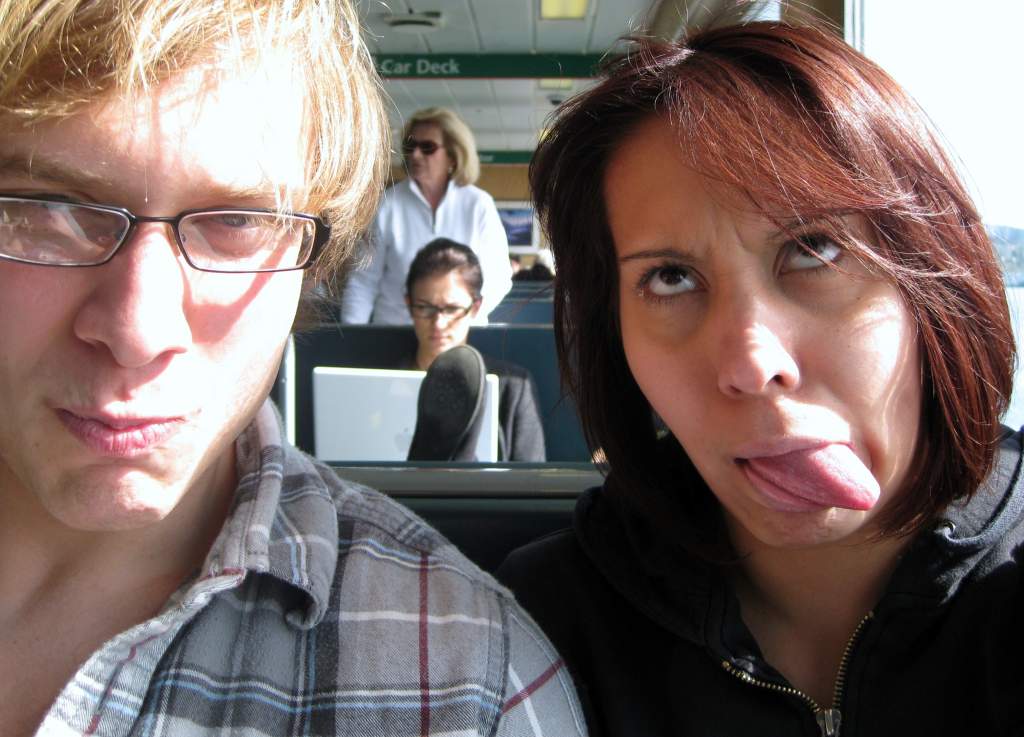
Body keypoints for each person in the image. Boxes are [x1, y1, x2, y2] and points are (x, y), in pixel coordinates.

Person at [0, 2, 586, 735]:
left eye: (238, 221)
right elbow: (370, 292)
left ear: (311, 264)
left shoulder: (469, 689)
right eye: (51, 207)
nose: (137, 331)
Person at [498, 19, 1023, 737]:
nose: (751, 362)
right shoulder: (535, 631)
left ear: (933, 280)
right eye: (671, 276)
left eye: (814, 248)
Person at [341, 107, 513, 324]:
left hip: (460, 336)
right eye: (410, 146)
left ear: (453, 155)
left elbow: (499, 278)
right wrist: (352, 338)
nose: (416, 154)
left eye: (427, 147)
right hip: (395, 332)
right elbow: (363, 281)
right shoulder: (387, 204)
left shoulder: (478, 205)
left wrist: (458, 318)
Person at [405, 238, 546, 461]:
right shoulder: (370, 383)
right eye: (424, 307)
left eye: (452, 309)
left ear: (475, 308)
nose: (439, 323)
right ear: (409, 305)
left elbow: (532, 482)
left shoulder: (512, 387)